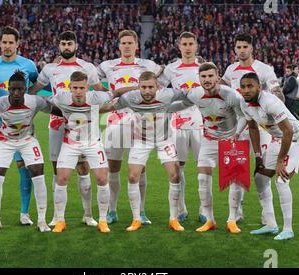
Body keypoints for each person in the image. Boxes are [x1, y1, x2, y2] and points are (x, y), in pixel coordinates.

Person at [29, 31, 107, 227]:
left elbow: (99, 92)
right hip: (57, 123)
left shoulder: (87, 67)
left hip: (82, 126)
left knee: (83, 168)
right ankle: (57, 216)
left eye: (69, 43)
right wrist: (20, 101)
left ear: (75, 45)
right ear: (59, 46)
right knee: (57, 170)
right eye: (63, 43)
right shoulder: (50, 69)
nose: (66, 47)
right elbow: (35, 90)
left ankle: (88, 214)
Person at [101, 71, 186, 232]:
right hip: (141, 140)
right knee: (133, 176)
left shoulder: (168, 95)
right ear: (138, 87)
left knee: (175, 175)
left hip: (164, 140)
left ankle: (173, 218)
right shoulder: (130, 98)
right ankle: (136, 219)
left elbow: (188, 97)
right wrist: (86, 108)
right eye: (144, 87)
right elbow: (111, 106)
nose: (147, 91)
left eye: (150, 87)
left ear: (158, 87)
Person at [169, 62, 246, 234]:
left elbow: (243, 117)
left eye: (210, 76)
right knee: (202, 179)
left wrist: (237, 133)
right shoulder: (195, 93)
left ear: (218, 76)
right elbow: (182, 105)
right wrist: (162, 108)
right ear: (199, 78)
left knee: (235, 181)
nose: (207, 80)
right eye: (203, 76)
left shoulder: (231, 95)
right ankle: (210, 220)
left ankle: (232, 220)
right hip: (209, 140)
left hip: (232, 139)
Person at [98, 29, 163, 225]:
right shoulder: (108, 66)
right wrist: (107, 92)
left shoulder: (147, 65)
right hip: (114, 122)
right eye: (123, 43)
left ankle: (141, 211)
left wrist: (121, 91)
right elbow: (92, 80)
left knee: (139, 169)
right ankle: (113, 210)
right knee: (113, 168)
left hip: (139, 122)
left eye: (130, 43)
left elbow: (159, 76)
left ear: (137, 45)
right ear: (118, 46)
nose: (127, 46)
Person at [0, 71, 57, 233]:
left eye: (20, 89)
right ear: (8, 89)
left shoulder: (34, 101)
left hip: (27, 140)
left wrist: (74, 111)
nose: (16, 93)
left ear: (25, 89)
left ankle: (42, 221)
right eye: (13, 89)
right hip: (5, 141)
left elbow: (54, 110)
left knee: (38, 174)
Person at [0, 26, 39, 226]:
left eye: (10, 42)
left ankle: (24, 213)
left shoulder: (28, 65)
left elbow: (38, 86)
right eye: (4, 42)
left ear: (17, 44)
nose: (7, 46)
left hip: (23, 126)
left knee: (24, 168)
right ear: (0, 43)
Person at [221, 33, 283, 223]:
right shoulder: (231, 69)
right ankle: (236, 213)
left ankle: (267, 216)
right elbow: (223, 87)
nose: (241, 50)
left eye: (244, 47)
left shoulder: (264, 69)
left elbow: (275, 90)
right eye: (238, 47)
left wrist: (278, 96)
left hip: (261, 128)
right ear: (235, 49)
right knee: (236, 172)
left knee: (262, 171)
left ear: (251, 48)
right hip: (238, 127)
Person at [239, 72, 299, 240]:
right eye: (243, 87)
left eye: (250, 86)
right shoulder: (244, 103)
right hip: (278, 140)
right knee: (260, 178)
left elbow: (288, 131)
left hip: (296, 139)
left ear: (259, 87)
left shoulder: (270, 102)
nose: (246, 90)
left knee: (281, 180)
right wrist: (258, 156)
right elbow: (253, 129)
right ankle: (270, 224)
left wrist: (279, 162)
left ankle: (288, 229)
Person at [49, 71, 115, 233]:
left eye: (82, 88)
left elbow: (116, 94)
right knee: (61, 178)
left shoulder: (97, 97)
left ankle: (102, 220)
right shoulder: (60, 98)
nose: (78, 91)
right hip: (70, 143)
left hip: (93, 143)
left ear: (87, 88)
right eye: (75, 88)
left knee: (102, 178)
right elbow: (44, 105)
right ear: (70, 88)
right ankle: (60, 220)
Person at [157, 31, 205, 223]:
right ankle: (181, 208)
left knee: (204, 167)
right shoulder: (171, 68)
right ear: (179, 46)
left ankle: (204, 209)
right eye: (184, 44)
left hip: (201, 123)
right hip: (177, 123)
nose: (187, 47)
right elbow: (157, 89)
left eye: (190, 44)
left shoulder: (204, 67)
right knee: (179, 167)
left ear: (196, 46)